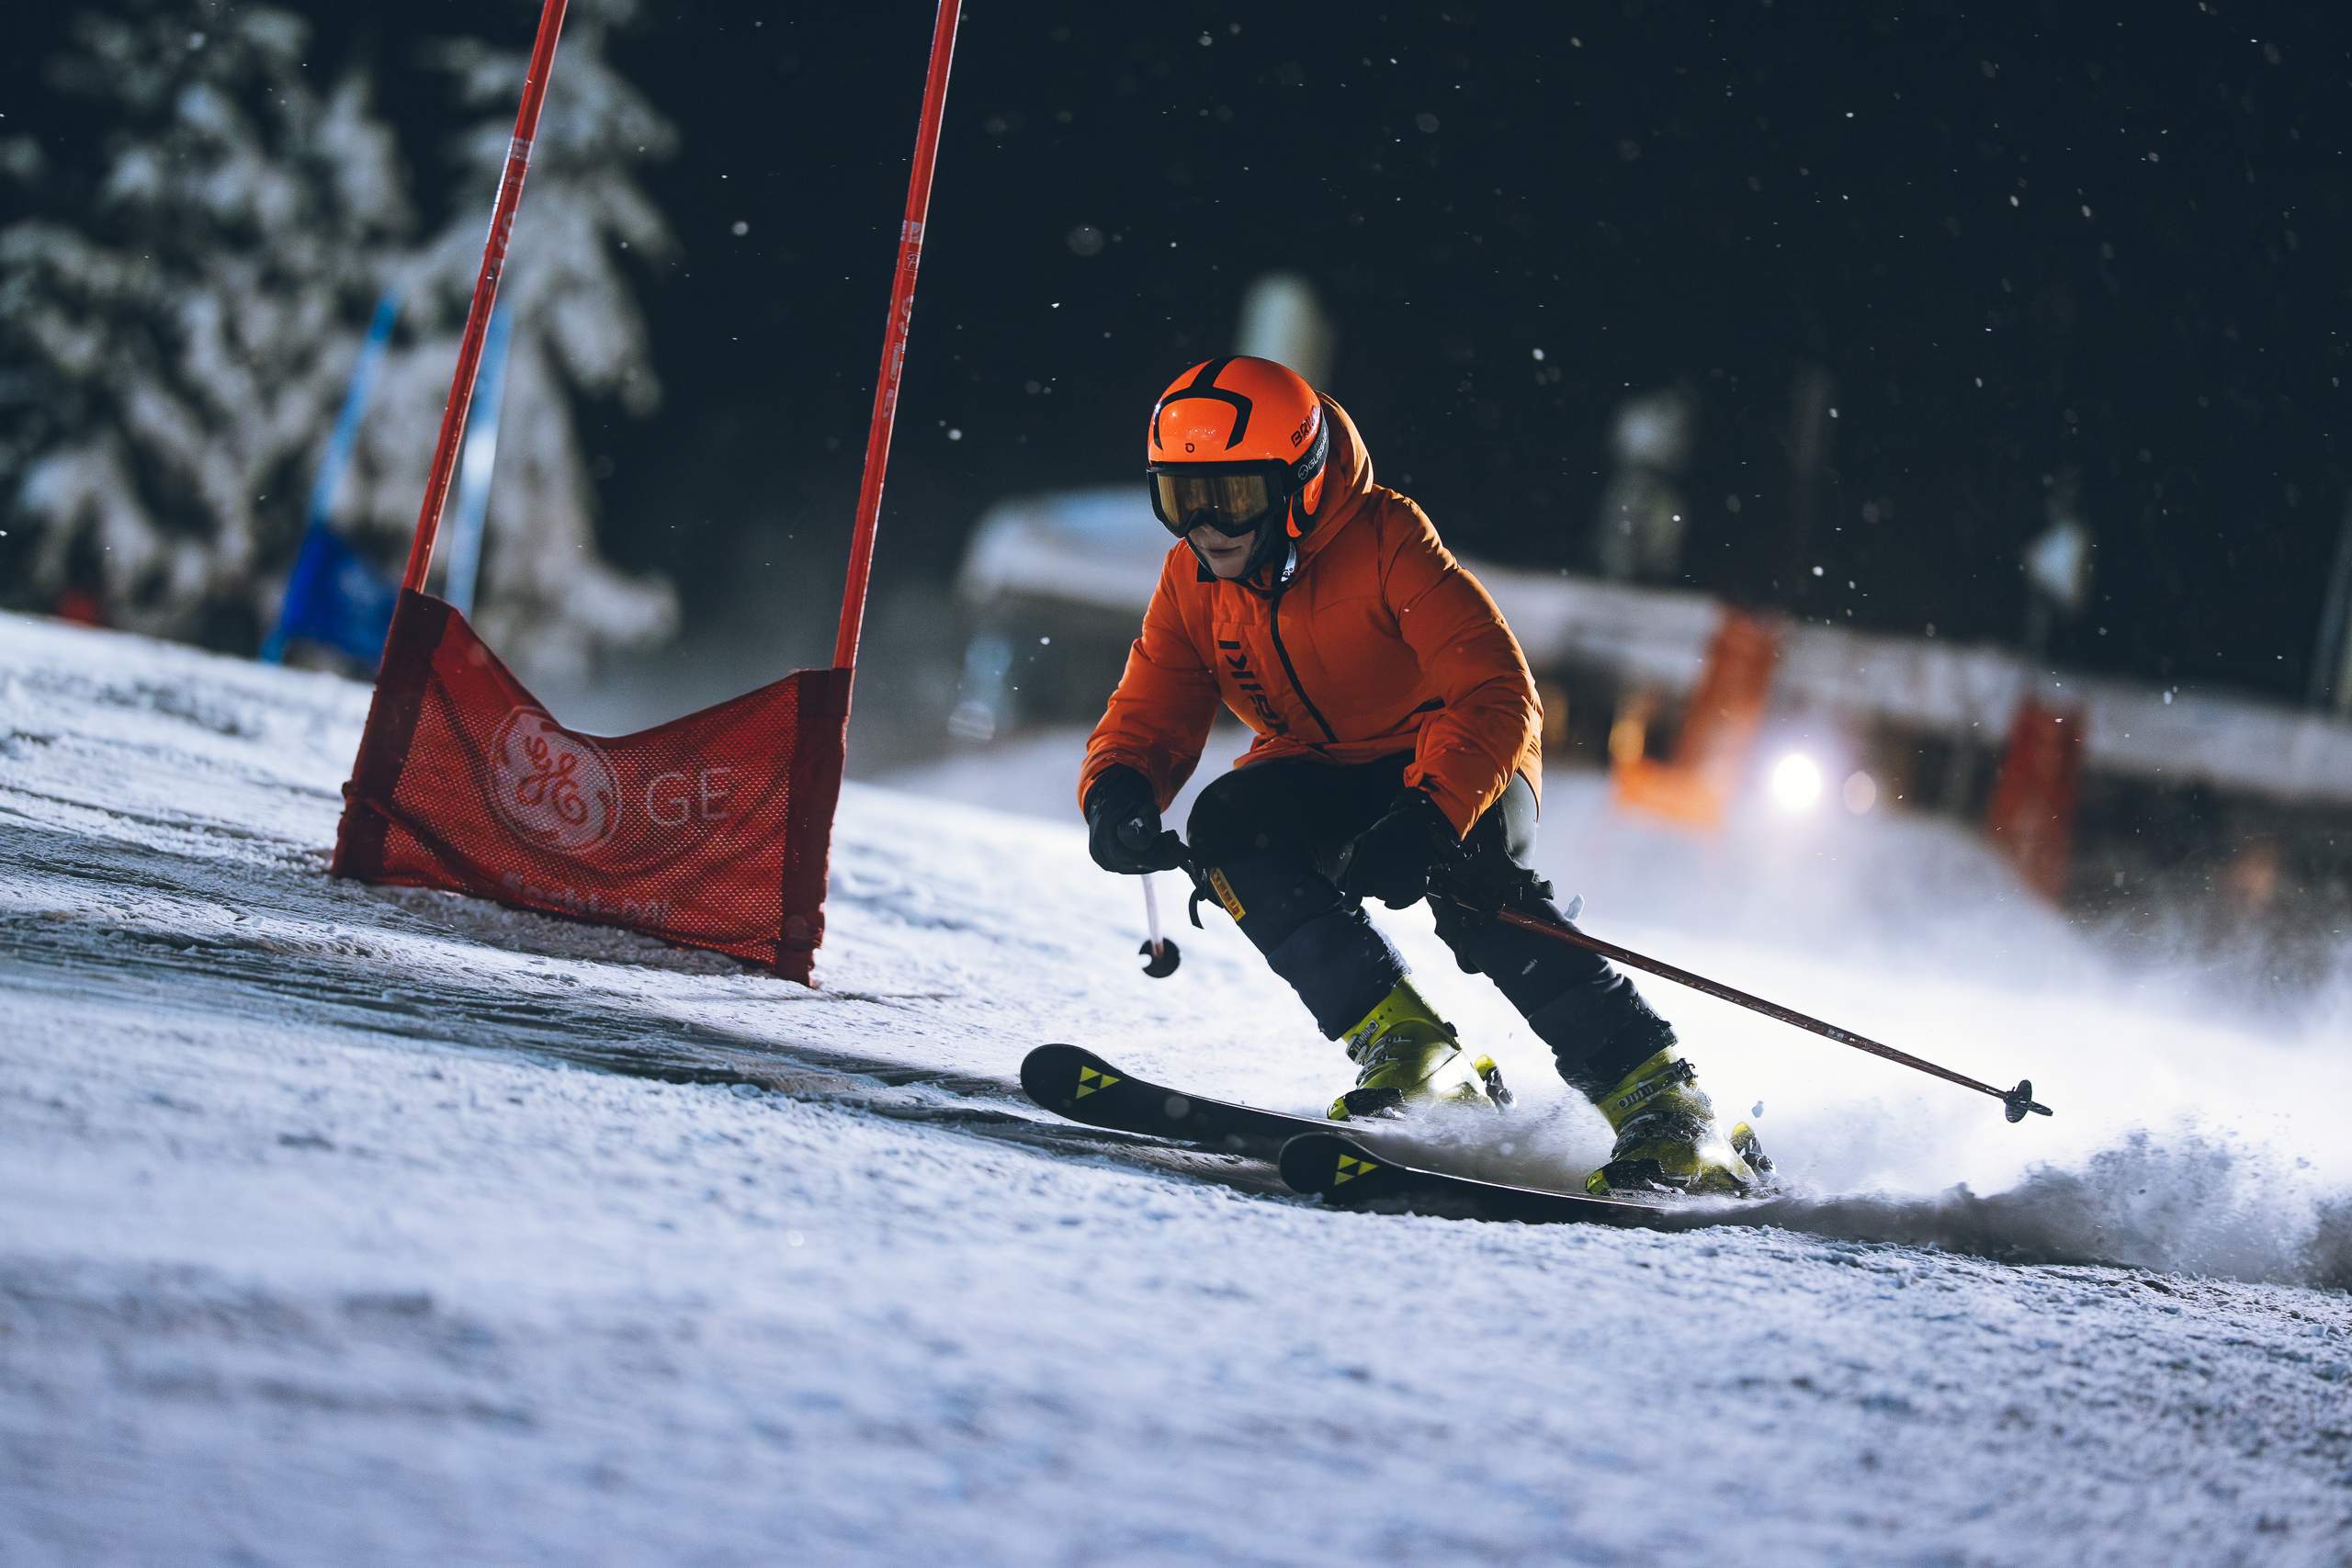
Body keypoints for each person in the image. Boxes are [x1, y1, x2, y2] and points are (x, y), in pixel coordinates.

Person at [1077, 355, 1760, 1195]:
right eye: (1182, 499)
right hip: (1325, 768)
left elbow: (1495, 691)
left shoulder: (1385, 539)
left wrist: (1431, 815)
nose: (1207, 526)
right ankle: (1415, 1051)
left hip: (1461, 760)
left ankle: (1665, 1103)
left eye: (1234, 495)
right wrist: (1118, 787)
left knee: (1473, 887)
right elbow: (1155, 703)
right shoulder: (1194, 580)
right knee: (1229, 831)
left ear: (1300, 484)